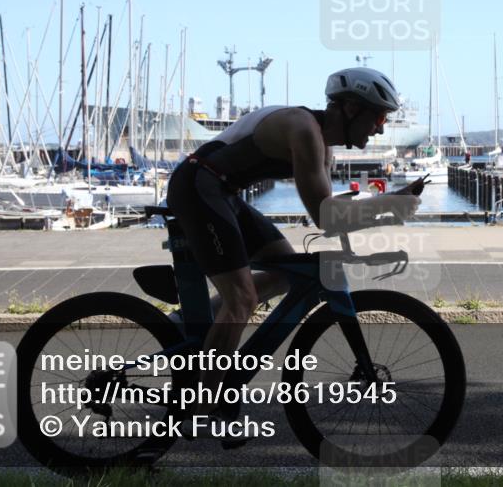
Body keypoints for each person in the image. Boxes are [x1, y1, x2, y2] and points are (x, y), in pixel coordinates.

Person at [166, 67, 421, 443]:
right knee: (243, 298)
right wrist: (390, 205)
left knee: (288, 274)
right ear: (351, 108)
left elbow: (331, 215)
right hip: (199, 186)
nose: (381, 129)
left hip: (223, 191)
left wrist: (386, 205)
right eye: (379, 117)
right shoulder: (304, 130)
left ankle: (186, 320)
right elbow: (324, 216)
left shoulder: (323, 145)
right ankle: (203, 407)